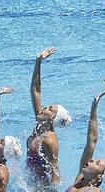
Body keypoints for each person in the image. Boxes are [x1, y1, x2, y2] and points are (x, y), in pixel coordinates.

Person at [27, 47, 72, 184]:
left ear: (53, 118)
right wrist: (38, 61)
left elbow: (55, 171)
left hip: (42, 188)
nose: (44, 108)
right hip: (32, 183)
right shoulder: (41, 124)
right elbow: (35, 89)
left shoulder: (50, 140)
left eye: (49, 109)